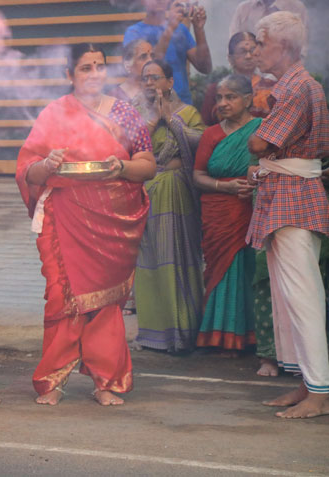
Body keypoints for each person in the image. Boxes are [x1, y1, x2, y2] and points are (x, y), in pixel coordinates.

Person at [17, 43, 155, 406]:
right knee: (61, 298)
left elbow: (147, 165)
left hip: (113, 220)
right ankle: (53, 380)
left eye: (99, 66)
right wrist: (47, 164)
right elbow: (28, 171)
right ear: (69, 75)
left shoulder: (124, 112)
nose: (94, 74)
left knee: (106, 302)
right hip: (64, 219)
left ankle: (106, 381)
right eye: (85, 68)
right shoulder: (54, 114)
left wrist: (121, 167)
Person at [245, 12, 329, 419]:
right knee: (289, 297)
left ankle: (320, 391)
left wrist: (257, 134)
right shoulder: (294, 85)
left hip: (294, 196)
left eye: (261, 43)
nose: (255, 51)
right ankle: (309, 384)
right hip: (286, 191)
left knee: (302, 296)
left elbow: (259, 143)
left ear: (286, 47)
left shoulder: (297, 87)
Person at [132, 59, 205, 352]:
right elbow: (126, 145)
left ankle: (182, 333)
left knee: (177, 258)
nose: (150, 83)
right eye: (146, 78)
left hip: (175, 192)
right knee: (147, 262)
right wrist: (154, 121)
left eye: (156, 77)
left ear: (170, 82)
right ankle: (152, 334)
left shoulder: (188, 113)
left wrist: (171, 120)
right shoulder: (135, 114)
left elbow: (203, 143)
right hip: (144, 192)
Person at [192, 75, 260, 355]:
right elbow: (197, 176)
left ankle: (250, 336)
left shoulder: (261, 130)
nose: (222, 103)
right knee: (219, 269)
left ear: (248, 99)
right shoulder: (211, 134)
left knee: (247, 269)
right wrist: (226, 187)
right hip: (218, 211)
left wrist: (254, 185)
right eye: (219, 97)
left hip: (250, 210)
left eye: (230, 97)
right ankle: (217, 335)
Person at [123, 0, 212, 104]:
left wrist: (198, 29)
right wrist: (170, 28)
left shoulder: (181, 29)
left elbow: (205, 68)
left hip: (182, 106)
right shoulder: (134, 32)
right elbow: (147, 70)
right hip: (150, 107)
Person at [201, 32, 275, 126]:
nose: (248, 56)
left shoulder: (272, 87)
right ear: (230, 58)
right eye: (242, 51)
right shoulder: (215, 90)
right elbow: (207, 125)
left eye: (252, 50)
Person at [229, 0, 308, 56]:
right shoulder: (243, 9)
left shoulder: (295, 7)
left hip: (282, 70)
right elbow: (234, 48)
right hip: (250, 69)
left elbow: (300, 49)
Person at [109, 39, 154, 103]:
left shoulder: (159, 90)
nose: (150, 60)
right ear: (127, 65)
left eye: (152, 56)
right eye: (143, 57)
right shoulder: (115, 97)